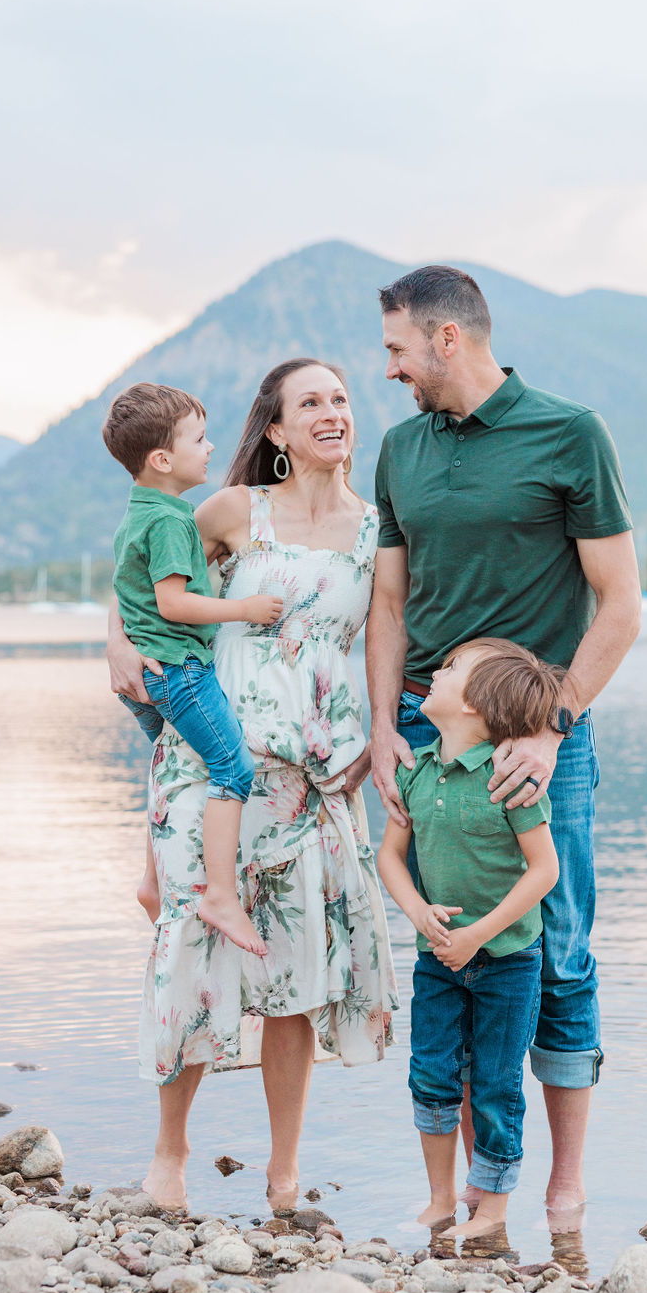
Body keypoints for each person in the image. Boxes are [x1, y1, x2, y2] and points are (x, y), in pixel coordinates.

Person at [367, 265, 641, 1220]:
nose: (390, 370)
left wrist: (555, 725)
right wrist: (379, 727)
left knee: (555, 948)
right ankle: (486, 1192)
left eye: (398, 348)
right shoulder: (400, 450)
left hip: (540, 734)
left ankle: (565, 1186)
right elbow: (391, 606)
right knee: (453, 947)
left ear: (448, 339)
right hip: (424, 727)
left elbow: (621, 604)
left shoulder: (570, 433)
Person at [107, 358, 398, 1212]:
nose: (331, 412)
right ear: (275, 429)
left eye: (341, 398)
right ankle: (170, 1152)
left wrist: (377, 736)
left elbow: (386, 635)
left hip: (315, 774)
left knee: (298, 972)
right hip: (215, 763)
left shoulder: (378, 528)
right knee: (194, 952)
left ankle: (284, 1172)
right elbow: (144, 579)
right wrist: (117, 645)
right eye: (310, 401)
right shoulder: (236, 510)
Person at [378, 637, 562, 1241]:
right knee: (430, 1074)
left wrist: (478, 933)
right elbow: (390, 859)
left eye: (451, 668)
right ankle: (440, 1200)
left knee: (495, 1085)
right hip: (437, 958)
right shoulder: (416, 771)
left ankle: (493, 1213)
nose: (434, 670)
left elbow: (545, 871)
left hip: (507, 962)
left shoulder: (508, 781)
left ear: (477, 707)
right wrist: (419, 914)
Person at [103, 381, 281, 956]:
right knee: (232, 765)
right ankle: (220, 894)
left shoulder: (139, 512)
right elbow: (173, 603)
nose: (211, 449)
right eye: (199, 439)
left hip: (156, 676)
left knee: (169, 765)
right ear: (162, 459)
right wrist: (245, 609)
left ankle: (153, 881)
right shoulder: (173, 520)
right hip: (181, 670)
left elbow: (129, 590)